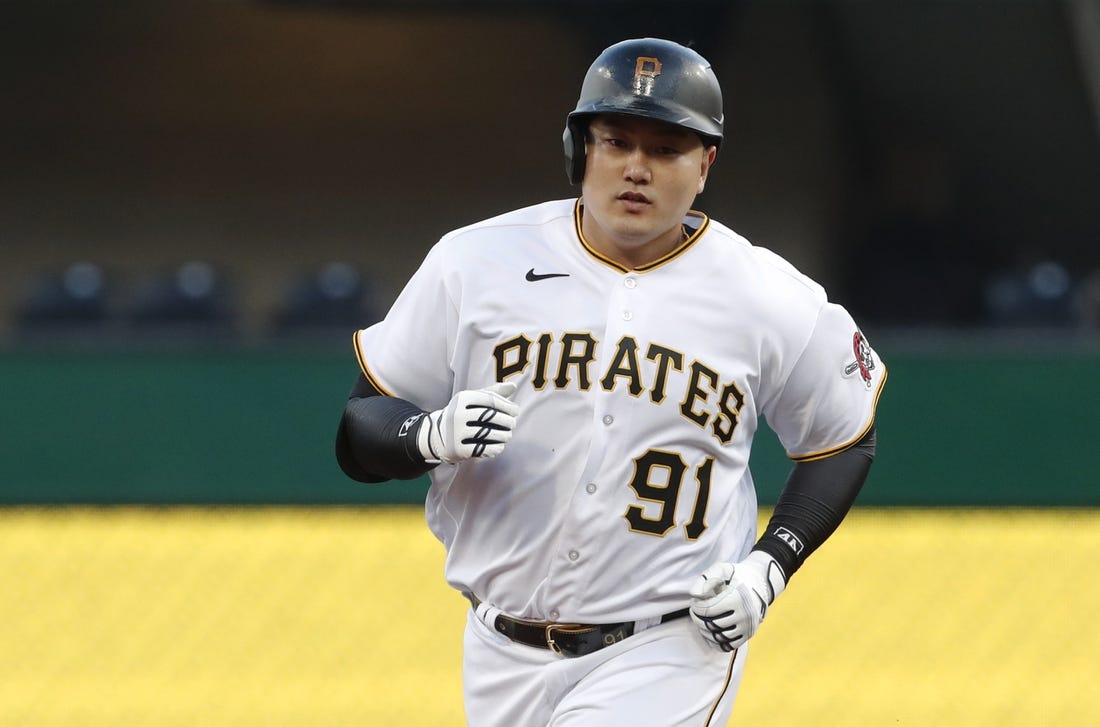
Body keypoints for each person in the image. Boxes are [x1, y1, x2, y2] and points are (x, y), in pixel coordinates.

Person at [336, 37, 887, 727]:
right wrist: (429, 434)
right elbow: (359, 428)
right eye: (616, 141)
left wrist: (769, 565)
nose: (636, 168)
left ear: (706, 164)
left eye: (665, 149)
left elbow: (843, 439)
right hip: (498, 646)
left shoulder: (767, 294)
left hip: (666, 644)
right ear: (580, 149)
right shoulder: (475, 262)